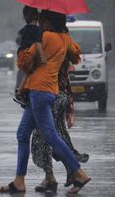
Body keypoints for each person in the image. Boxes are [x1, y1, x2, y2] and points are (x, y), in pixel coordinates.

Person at [0, 10, 91, 195]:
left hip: (39, 91)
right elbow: (76, 55)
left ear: (47, 21)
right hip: (49, 90)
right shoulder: (65, 38)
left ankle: (78, 172)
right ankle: (19, 181)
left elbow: (24, 61)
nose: (40, 22)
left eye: (42, 20)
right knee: (23, 134)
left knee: (50, 135)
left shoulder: (45, 36)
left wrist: (24, 49)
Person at [31, 55, 89, 193]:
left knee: (45, 137)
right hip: (61, 93)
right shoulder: (63, 42)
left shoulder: (47, 43)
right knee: (55, 135)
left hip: (51, 93)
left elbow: (32, 67)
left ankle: (76, 173)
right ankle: (51, 176)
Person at [13, 6, 46, 106]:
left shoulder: (23, 30)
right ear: (37, 17)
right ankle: (21, 93)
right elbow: (37, 43)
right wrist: (42, 56)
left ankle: (21, 92)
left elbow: (19, 40)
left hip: (22, 56)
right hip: (29, 57)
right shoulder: (37, 30)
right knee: (31, 74)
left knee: (27, 74)